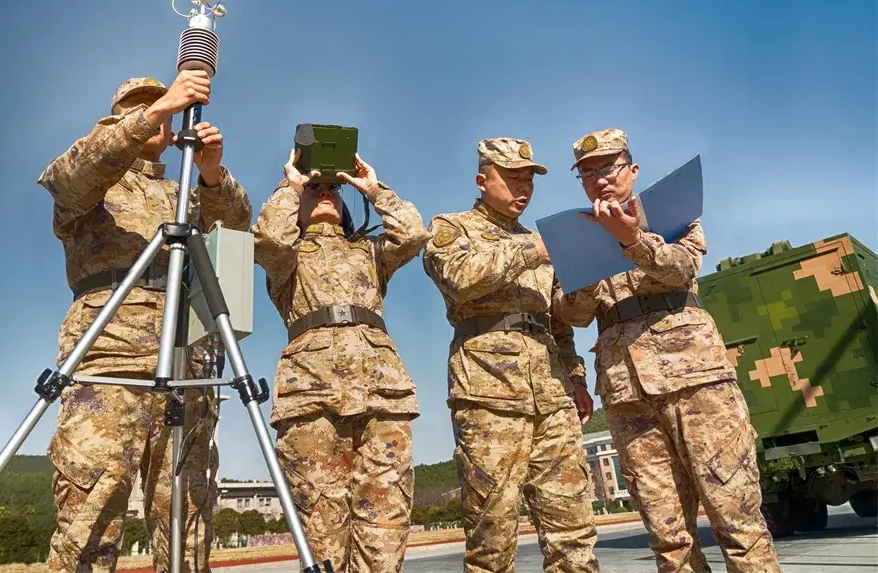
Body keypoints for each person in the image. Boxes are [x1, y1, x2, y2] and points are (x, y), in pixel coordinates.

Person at [36, 70, 252, 573]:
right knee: (91, 506)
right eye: (140, 106)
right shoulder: (93, 186)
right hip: (109, 355)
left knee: (187, 512)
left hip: (186, 357)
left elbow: (239, 230)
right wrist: (156, 110)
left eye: (165, 107)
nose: (158, 112)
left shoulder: (184, 195)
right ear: (117, 119)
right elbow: (70, 175)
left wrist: (213, 174)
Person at [553, 127, 783, 573]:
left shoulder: (674, 216)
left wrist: (632, 239)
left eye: (608, 167)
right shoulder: (576, 237)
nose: (598, 179)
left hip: (697, 385)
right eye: (586, 173)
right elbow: (572, 314)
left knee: (737, 520)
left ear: (632, 170)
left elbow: (682, 269)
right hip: (628, 397)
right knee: (668, 538)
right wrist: (579, 272)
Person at [421, 137, 600, 573]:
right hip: (489, 393)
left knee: (573, 531)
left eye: (529, 181)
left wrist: (589, 272)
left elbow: (564, 321)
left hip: (552, 394)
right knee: (492, 534)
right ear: (483, 180)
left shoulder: (544, 244)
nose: (523, 189)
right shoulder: (453, 228)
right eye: (512, 178)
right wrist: (535, 250)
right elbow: (460, 278)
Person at [251, 148, 429, 572]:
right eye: (316, 187)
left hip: (382, 395)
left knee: (385, 528)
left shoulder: (368, 252)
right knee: (322, 530)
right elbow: (268, 239)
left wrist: (372, 187)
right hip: (311, 397)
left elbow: (414, 235)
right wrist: (289, 185)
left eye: (333, 186)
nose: (326, 192)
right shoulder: (286, 257)